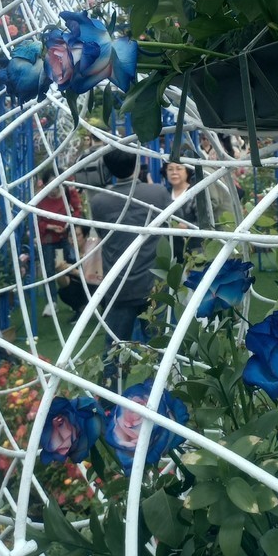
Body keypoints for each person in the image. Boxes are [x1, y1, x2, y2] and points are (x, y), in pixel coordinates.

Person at [92, 148, 171, 386]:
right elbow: (167, 226)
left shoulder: (99, 201)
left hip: (119, 287)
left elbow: (103, 235)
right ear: (137, 164)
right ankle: (165, 394)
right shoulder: (157, 192)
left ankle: (110, 399)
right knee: (161, 349)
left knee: (115, 351)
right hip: (153, 284)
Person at [35, 166, 83, 318]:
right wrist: (49, 226)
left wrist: (69, 223)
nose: (54, 190)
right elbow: (36, 220)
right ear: (44, 184)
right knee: (49, 270)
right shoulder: (40, 197)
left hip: (66, 235)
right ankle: (51, 302)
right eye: (50, 185)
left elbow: (78, 210)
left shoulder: (69, 192)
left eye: (57, 185)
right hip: (48, 237)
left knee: (73, 265)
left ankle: (77, 300)